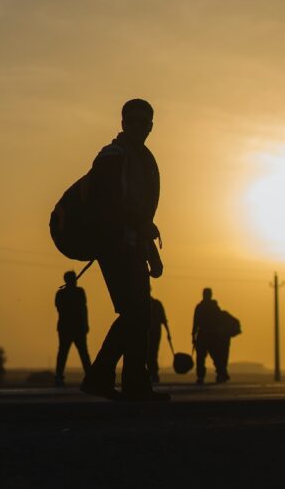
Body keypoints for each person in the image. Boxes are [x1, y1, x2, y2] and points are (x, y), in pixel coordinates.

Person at [79, 99, 168, 402]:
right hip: (114, 247)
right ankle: (105, 377)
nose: (138, 127)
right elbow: (107, 205)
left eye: (144, 122)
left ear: (151, 126)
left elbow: (142, 212)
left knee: (139, 316)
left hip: (133, 247)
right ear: (123, 123)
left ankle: (131, 384)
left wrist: (149, 248)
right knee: (136, 314)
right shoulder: (112, 156)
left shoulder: (143, 160)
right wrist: (139, 226)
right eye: (132, 121)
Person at [54, 270, 90, 386]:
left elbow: (84, 309)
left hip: (74, 327)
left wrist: (85, 324)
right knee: (65, 352)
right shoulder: (63, 294)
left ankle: (90, 376)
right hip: (69, 327)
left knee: (82, 352)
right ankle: (59, 376)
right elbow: (62, 309)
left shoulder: (77, 292)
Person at [192, 288, 230, 384]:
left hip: (211, 336)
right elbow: (195, 323)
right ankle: (201, 376)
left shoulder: (212, 307)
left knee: (215, 357)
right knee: (201, 358)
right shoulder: (202, 307)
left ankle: (220, 374)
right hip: (205, 335)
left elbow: (219, 322)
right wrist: (193, 336)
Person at [147, 297, 170, 383]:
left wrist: (168, 333)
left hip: (154, 333)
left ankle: (153, 373)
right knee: (149, 354)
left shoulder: (156, 304)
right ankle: (152, 373)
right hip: (147, 332)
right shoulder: (155, 303)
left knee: (152, 353)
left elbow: (164, 320)